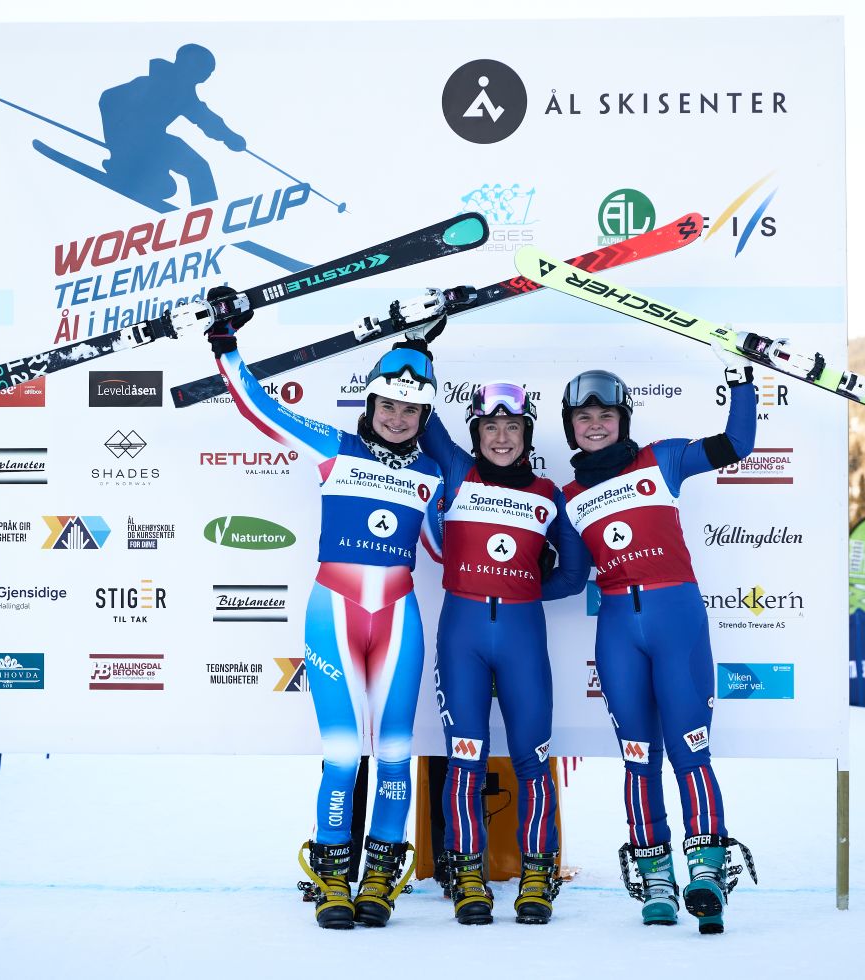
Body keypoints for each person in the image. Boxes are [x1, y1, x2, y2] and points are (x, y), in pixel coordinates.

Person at [204, 289, 444, 930]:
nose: (397, 418)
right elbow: (259, 407)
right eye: (388, 405)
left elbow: (447, 549)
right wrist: (226, 342)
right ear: (370, 404)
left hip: (398, 618)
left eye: (411, 410)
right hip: (333, 613)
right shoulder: (335, 446)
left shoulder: (431, 473)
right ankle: (333, 876)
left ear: (426, 416)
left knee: (394, 754)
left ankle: (380, 877)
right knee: (341, 754)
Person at [556, 347, 758, 934]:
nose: (596, 425)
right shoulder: (568, 498)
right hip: (618, 627)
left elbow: (736, 444)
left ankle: (707, 873)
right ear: (571, 427)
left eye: (606, 415)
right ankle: (657, 880)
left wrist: (741, 380)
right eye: (584, 418)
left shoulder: (662, 459)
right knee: (638, 757)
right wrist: (499, 582)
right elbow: (569, 578)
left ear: (623, 419)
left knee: (691, 751)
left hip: (677, 619)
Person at [413, 349, 590, 926]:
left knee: (532, 759)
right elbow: (425, 415)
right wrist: (419, 350)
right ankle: (467, 873)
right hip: (461, 637)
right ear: (476, 434)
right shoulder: (456, 469)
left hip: (521, 638)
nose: (502, 437)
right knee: (464, 757)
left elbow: (573, 575)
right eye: (490, 427)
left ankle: (537, 874)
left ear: (527, 434)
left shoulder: (549, 494)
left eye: (513, 427)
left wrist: (522, 588)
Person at [98, 43, 246, 205]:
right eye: (204, 68)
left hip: (149, 142)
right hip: (138, 140)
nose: (206, 75)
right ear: (185, 63)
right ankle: (125, 167)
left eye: (209, 71)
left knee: (176, 182)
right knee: (197, 168)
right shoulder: (157, 84)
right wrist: (119, 140)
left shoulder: (183, 92)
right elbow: (108, 98)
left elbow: (205, 119)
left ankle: (136, 173)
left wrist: (229, 137)